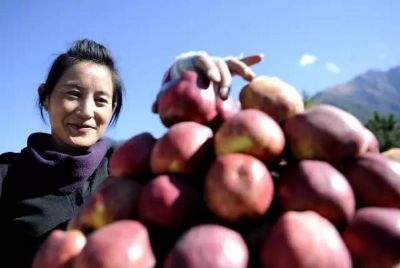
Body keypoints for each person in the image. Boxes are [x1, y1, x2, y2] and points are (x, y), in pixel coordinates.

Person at [0, 39, 263, 267]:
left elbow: (194, 152)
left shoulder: (133, 164)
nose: (86, 111)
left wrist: (189, 78)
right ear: (45, 97)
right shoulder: (6, 176)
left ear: (113, 108)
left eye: (101, 100)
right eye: (73, 94)